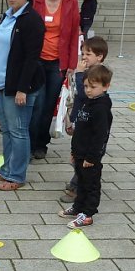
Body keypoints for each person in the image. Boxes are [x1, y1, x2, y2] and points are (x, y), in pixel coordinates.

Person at [0, 0, 44, 191]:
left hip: (18, 87)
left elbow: (31, 58)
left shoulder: (31, 20)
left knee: (19, 131)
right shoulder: (6, 17)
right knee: (7, 130)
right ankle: (7, 170)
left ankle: (17, 175)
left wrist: (22, 89)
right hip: (0, 84)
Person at [29, 0, 80, 160]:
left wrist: (72, 65)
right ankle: (31, 142)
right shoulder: (35, 1)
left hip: (58, 62)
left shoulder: (71, 2)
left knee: (50, 105)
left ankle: (42, 143)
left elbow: (74, 33)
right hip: (37, 60)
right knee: (37, 104)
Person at [59, 64, 113, 229]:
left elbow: (100, 136)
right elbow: (81, 131)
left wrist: (92, 157)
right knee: (80, 182)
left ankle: (88, 214)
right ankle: (78, 207)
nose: (88, 90)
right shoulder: (88, 102)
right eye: (86, 86)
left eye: (93, 87)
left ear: (105, 86)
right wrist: (74, 152)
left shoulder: (101, 108)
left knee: (91, 185)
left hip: (91, 156)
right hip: (80, 152)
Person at [62, 36, 108, 203]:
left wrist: (80, 74)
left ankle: (79, 188)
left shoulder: (97, 75)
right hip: (81, 119)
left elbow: (84, 95)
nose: (84, 57)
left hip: (90, 123)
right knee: (76, 155)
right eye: (83, 53)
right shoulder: (88, 72)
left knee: (84, 158)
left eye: (88, 53)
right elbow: (76, 97)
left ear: (100, 56)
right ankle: (77, 184)